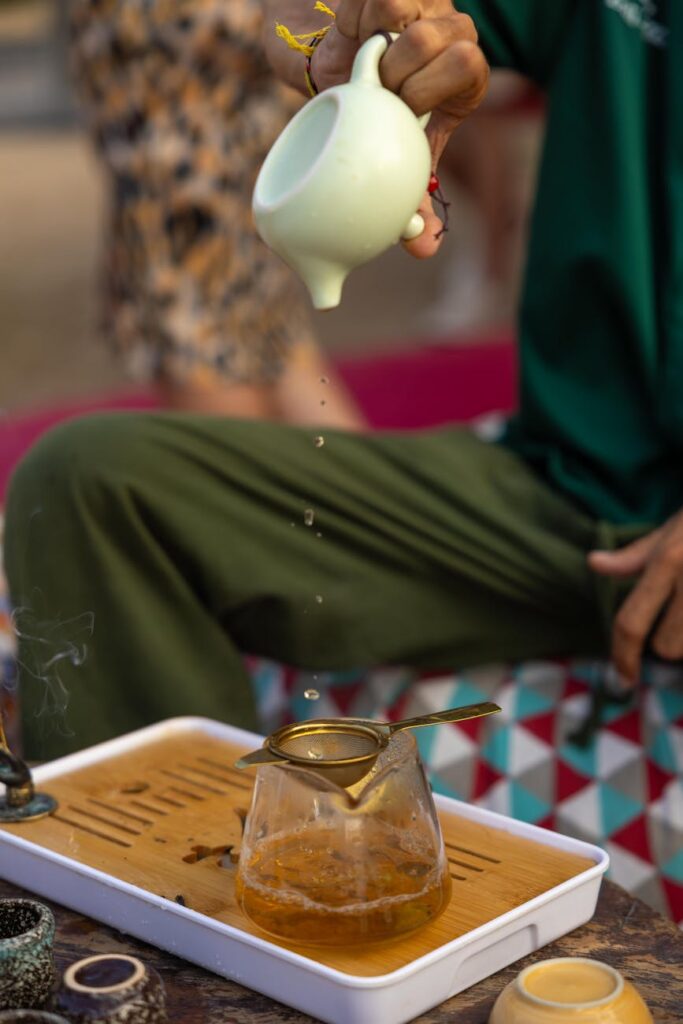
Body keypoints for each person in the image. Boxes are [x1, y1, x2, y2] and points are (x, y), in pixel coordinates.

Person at [5, 0, 683, 761]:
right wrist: (337, 28)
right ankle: (156, 860)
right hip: (559, 486)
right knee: (91, 483)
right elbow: (324, 19)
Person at [68, 0, 363, 427]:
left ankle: (381, 492)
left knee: (272, 384)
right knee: (256, 416)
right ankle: (378, 491)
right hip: (188, 211)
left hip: (226, 204)